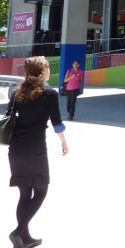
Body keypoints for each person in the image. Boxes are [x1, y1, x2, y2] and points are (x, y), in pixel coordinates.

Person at [6, 56, 69, 248]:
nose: (49, 70)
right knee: (41, 191)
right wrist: (64, 143)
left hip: (15, 149)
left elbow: (8, 117)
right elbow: (57, 123)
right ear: (41, 71)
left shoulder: (17, 92)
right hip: (35, 149)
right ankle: (18, 232)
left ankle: (24, 238)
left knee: (25, 193)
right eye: (48, 67)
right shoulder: (49, 94)